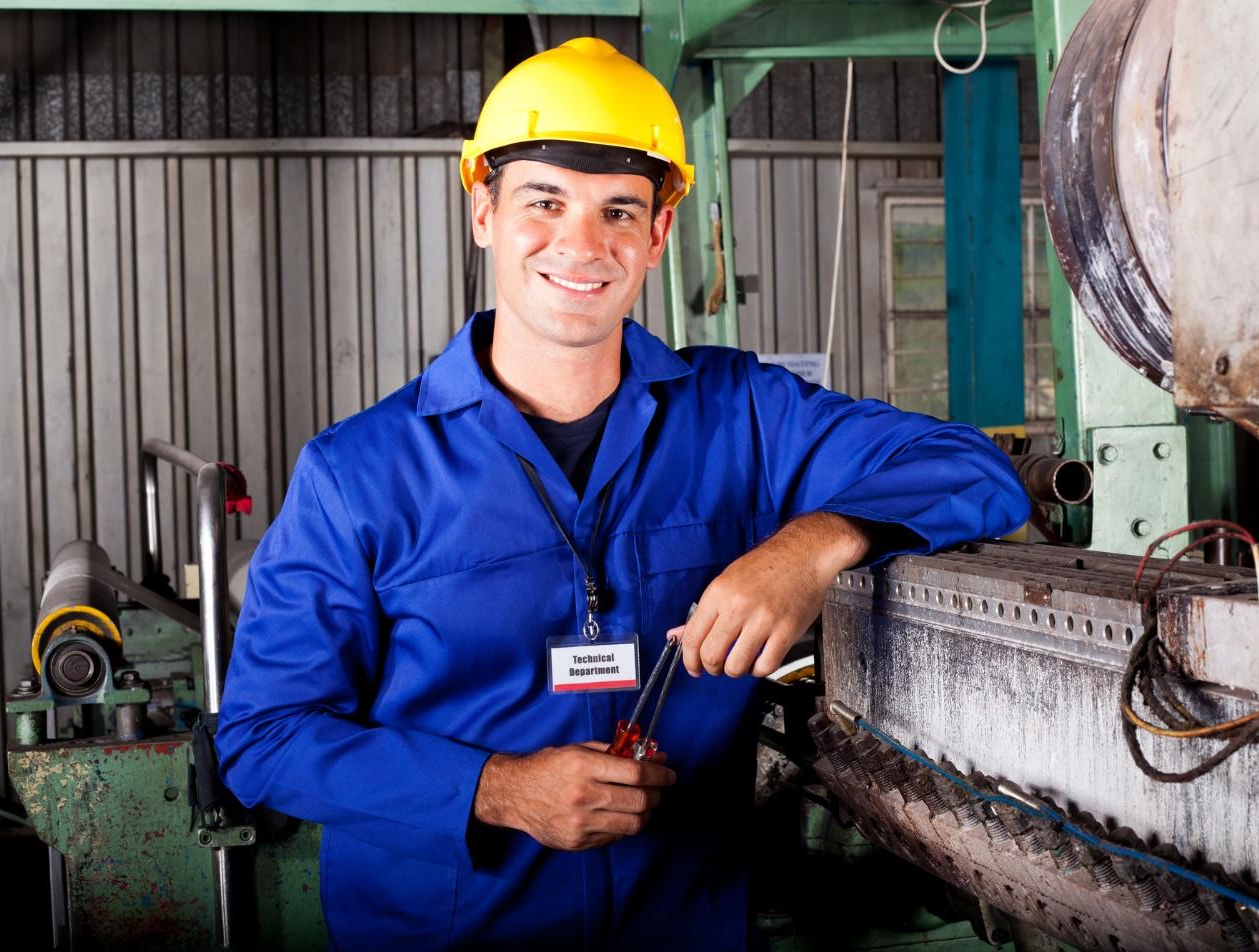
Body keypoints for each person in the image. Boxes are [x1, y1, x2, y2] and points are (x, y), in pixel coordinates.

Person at [216, 36, 1028, 951]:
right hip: (451, 933)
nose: (582, 245)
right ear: (482, 210)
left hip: (680, 924)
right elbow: (264, 738)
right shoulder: (357, 473)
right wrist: (495, 790)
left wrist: (815, 544)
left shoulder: (742, 416)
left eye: (617, 211)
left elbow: (974, 469)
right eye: (544, 203)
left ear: (658, 233)